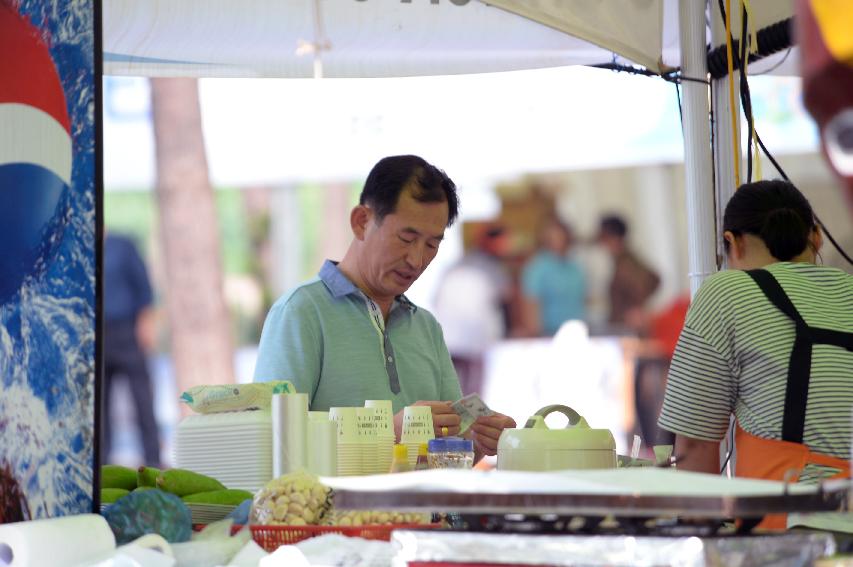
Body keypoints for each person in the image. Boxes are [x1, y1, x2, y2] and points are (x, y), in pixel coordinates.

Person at [254, 155, 516, 459]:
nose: (416, 260)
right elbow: (272, 446)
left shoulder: (426, 326)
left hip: (426, 507)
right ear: (362, 222)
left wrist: (478, 442)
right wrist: (389, 434)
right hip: (339, 507)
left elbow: (448, 455)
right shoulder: (300, 313)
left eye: (432, 245)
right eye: (406, 238)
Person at [657, 180, 852, 529]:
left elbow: (695, 446)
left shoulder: (726, 292)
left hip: (796, 531)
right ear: (817, 237)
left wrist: (701, 537)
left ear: (733, 242)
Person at [103, 232, 160, 467]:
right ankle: (102, 464)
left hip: (127, 331)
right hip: (97, 336)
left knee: (143, 401)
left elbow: (144, 289)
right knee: (99, 406)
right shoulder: (80, 245)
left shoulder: (123, 245)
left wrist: (146, 326)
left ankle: (153, 460)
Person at [433, 223, 511, 396]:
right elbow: (505, 300)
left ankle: (455, 422)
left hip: (448, 340)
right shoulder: (492, 269)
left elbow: (436, 299)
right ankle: (469, 423)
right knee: (472, 395)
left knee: (450, 391)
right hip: (474, 341)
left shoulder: (455, 265)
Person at [521, 217, 586, 336]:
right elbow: (531, 303)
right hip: (549, 333)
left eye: (560, 236)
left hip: (576, 332)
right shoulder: (537, 267)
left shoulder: (575, 267)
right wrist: (534, 334)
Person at [598, 215, 660, 332]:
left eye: (604, 237)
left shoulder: (625, 263)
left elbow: (653, 279)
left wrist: (635, 308)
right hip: (623, 324)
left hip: (626, 327)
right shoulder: (625, 259)